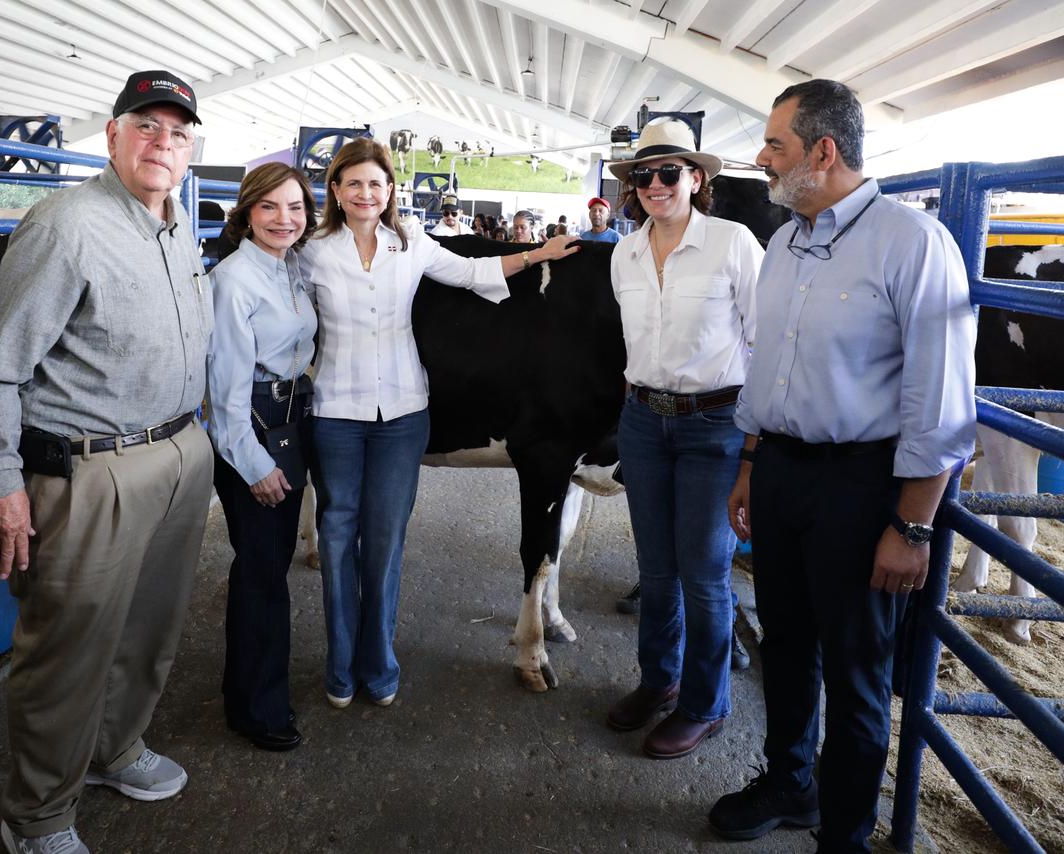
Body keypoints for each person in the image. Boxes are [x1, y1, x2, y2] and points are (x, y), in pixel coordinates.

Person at [709, 79, 975, 853]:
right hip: (785, 471)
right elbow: (767, 368)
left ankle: (847, 835)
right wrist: (754, 465)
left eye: (776, 146)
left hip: (864, 486)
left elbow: (940, 402)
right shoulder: (788, 238)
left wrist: (913, 526)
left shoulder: (912, 242)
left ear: (823, 152)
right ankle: (791, 781)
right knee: (785, 640)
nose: (761, 159)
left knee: (859, 673)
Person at [0, 70, 215, 854]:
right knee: (68, 648)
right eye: (146, 126)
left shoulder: (178, 223)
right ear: (111, 135)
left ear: (190, 148)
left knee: (149, 629)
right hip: (93, 466)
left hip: (178, 449)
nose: (161, 144)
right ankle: (36, 817)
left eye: (176, 132)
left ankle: (112, 750)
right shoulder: (67, 224)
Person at [300, 138, 578, 709]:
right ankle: (339, 663)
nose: (366, 193)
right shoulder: (310, 249)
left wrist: (537, 255)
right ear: (335, 190)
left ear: (389, 191)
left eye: (376, 184)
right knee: (334, 538)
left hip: (403, 413)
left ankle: (377, 664)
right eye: (353, 183)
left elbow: (475, 271)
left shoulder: (411, 244)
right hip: (335, 411)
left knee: (385, 540)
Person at [603, 118, 763, 760]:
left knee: (703, 572)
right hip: (643, 420)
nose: (655, 184)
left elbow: (764, 337)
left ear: (697, 179)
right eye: (644, 175)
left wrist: (753, 445)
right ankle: (659, 681)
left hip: (715, 424)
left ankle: (706, 703)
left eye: (670, 172)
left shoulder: (733, 243)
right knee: (656, 568)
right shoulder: (624, 251)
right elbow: (633, 345)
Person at [206, 163, 318, 753]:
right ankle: (257, 709)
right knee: (260, 576)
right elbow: (223, 392)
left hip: (288, 425)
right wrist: (254, 466)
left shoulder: (287, 269)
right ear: (247, 212)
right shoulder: (233, 281)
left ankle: (252, 694)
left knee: (266, 569)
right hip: (253, 433)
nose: (285, 219)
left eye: (295, 207)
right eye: (270, 207)